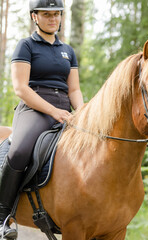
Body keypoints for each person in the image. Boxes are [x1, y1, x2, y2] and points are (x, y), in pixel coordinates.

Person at [0, 0, 84, 238]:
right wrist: (52, 111)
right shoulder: (26, 46)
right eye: (46, 14)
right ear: (34, 17)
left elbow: (74, 90)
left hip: (64, 109)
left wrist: (83, 111)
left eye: (56, 14)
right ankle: (2, 217)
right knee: (19, 150)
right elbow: (21, 88)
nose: (53, 19)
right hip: (34, 109)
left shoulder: (67, 51)